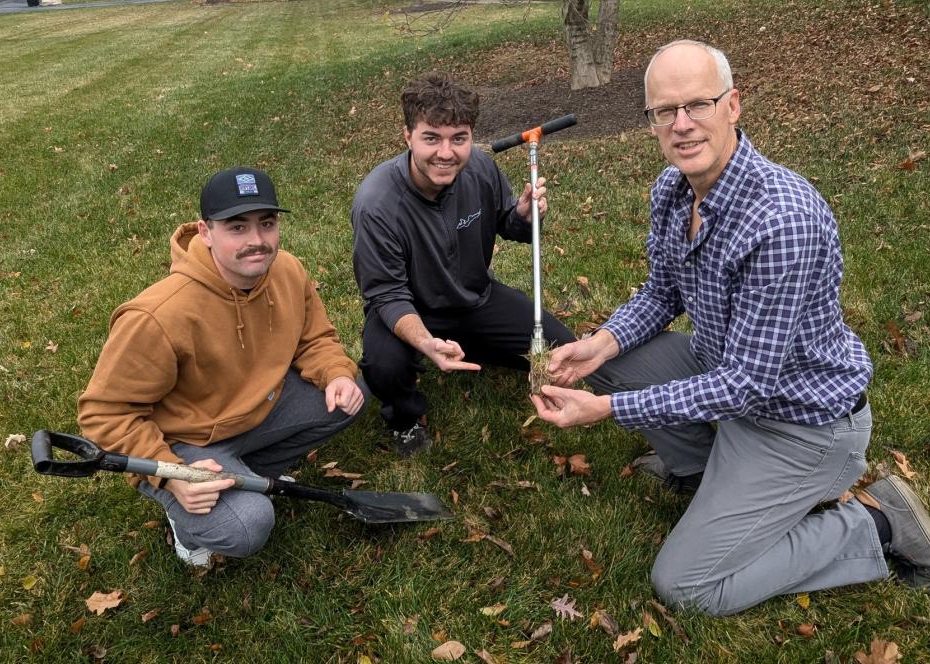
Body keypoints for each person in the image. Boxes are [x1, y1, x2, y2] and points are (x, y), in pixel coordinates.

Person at [530, 40, 930, 615]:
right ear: (651, 121)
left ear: (733, 105)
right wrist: (598, 345)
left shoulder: (782, 219)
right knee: (612, 362)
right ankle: (705, 471)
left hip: (799, 423)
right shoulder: (672, 190)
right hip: (725, 374)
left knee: (686, 586)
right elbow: (663, 292)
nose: (681, 125)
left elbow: (748, 386)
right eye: (664, 111)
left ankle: (875, 523)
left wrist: (604, 411)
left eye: (697, 105)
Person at [78, 167, 367, 567]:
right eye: (237, 227)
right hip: (184, 442)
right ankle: (185, 518)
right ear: (205, 231)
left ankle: (249, 472)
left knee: (354, 391)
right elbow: (104, 413)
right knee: (247, 524)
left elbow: (314, 340)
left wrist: (335, 372)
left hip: (255, 412)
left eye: (267, 224)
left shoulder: (287, 271)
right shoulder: (158, 316)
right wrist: (171, 474)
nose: (257, 241)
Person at [351, 71, 575, 456]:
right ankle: (404, 420)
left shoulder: (480, 169)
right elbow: (386, 295)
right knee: (384, 365)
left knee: (563, 348)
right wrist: (425, 342)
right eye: (431, 138)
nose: (446, 152)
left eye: (459, 138)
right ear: (408, 136)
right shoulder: (376, 203)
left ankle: (471, 344)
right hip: (408, 309)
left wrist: (522, 216)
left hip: (475, 299)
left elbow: (507, 223)